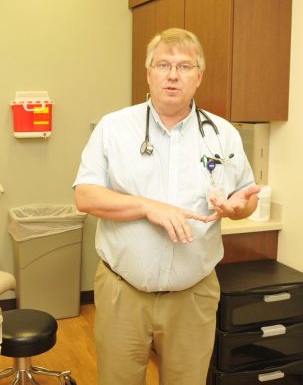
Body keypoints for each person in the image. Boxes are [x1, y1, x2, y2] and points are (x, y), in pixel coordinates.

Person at [73, 28, 260, 385]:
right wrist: (148, 207)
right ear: (149, 73)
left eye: (185, 66)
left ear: (199, 76)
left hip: (193, 295)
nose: (173, 75)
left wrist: (239, 209)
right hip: (122, 293)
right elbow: (85, 196)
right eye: (163, 65)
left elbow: (244, 198)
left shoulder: (223, 134)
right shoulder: (115, 128)